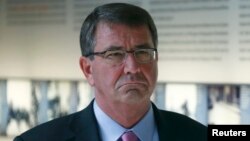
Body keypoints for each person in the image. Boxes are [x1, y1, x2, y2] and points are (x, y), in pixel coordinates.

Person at [13, 3, 207, 141]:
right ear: (88, 69)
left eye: (143, 52)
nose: (133, 67)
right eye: (114, 54)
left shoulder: (198, 135)